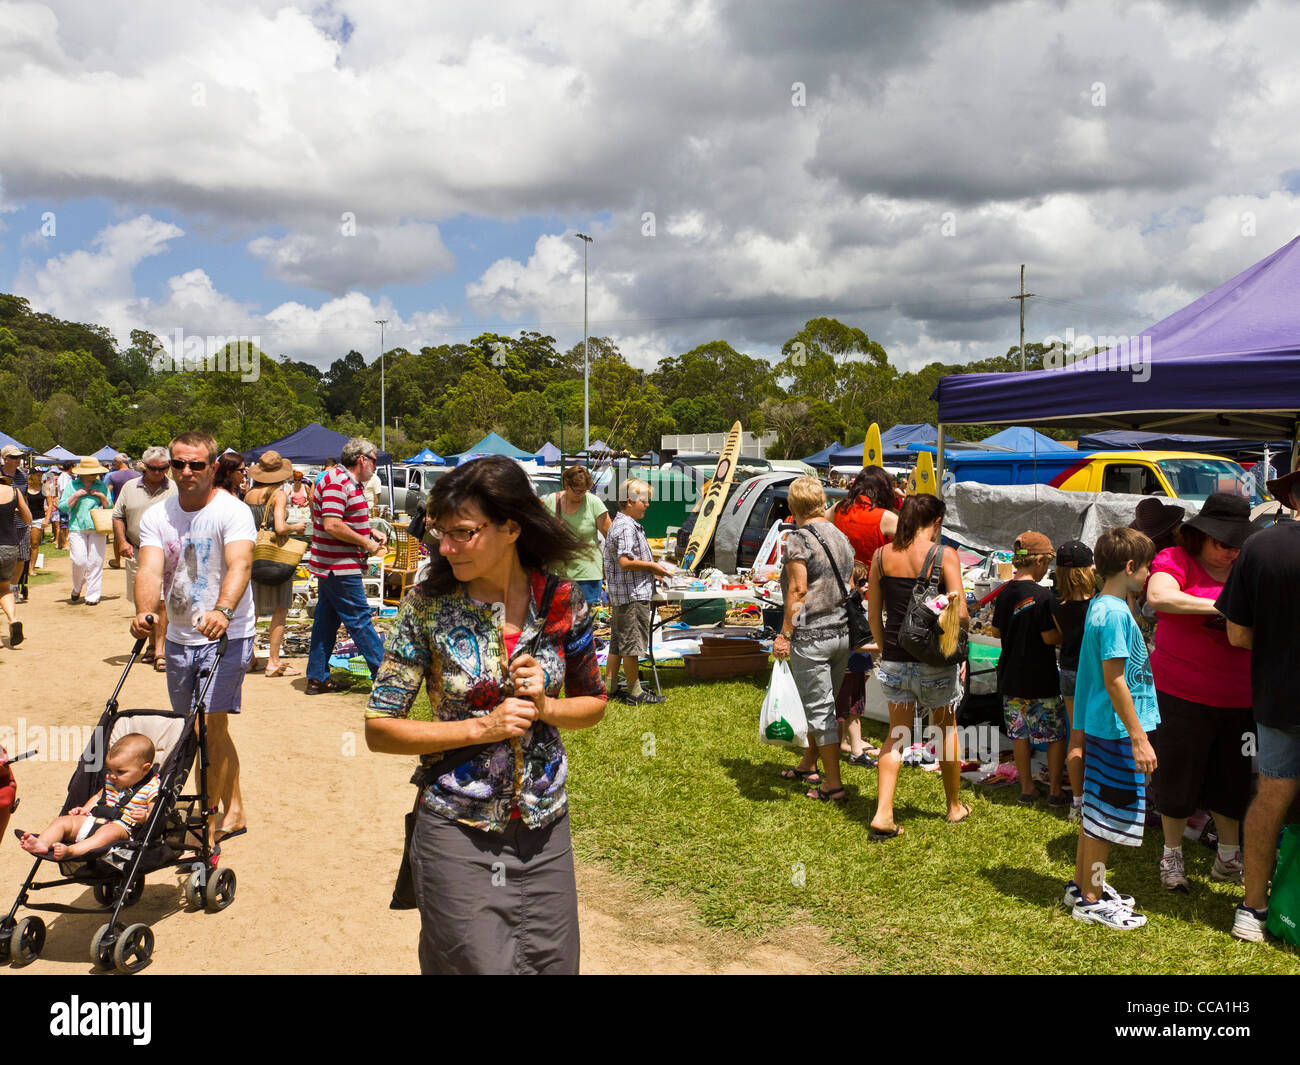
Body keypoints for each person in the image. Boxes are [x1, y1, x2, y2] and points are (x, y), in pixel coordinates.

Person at [365, 455, 607, 974]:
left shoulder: (563, 602)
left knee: (552, 964)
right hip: (458, 828)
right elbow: (380, 729)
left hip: (546, 829)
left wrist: (547, 706)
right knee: (471, 964)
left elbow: (594, 705)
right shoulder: (426, 607)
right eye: (441, 533)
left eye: (463, 533)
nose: (446, 548)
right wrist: (482, 727)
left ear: (511, 527)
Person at [132, 431, 256, 848]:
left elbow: (240, 564)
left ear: (213, 466)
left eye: (196, 464)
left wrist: (223, 610)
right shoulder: (157, 515)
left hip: (228, 633)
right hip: (182, 636)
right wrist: (145, 612)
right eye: (177, 464)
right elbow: (149, 569)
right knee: (203, 728)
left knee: (208, 724)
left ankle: (211, 815)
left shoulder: (232, 511)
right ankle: (234, 808)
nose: (186, 472)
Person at [1145, 493, 1256, 893]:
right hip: (1181, 693)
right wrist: (1222, 608)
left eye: (1237, 545)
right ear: (1200, 536)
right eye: (1221, 543)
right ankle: (1172, 855)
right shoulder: (1175, 559)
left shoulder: (1249, 564)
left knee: (1233, 781)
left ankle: (1228, 857)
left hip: (1241, 698)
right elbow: (1158, 596)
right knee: (1177, 777)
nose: (1230, 552)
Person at [1217, 464, 1300, 943]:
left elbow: (1237, 633)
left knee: (1270, 798)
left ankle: (1253, 909)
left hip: (1279, 699)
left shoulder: (1261, 545)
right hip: (1280, 700)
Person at [1065, 527, 1157, 929]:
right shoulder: (1115, 614)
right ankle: (1092, 897)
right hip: (1118, 731)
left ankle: (1083, 884)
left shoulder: (1102, 604)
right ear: (1131, 566)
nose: (1151, 573)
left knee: (1096, 813)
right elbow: (1115, 679)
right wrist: (1139, 738)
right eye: (1148, 566)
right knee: (1108, 819)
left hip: (1102, 726)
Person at [866, 494, 970, 838]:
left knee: (896, 736)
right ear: (936, 522)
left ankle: (883, 813)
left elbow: (873, 613)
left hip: (894, 660)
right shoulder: (945, 555)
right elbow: (963, 615)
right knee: (946, 730)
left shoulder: (881, 556)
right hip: (934, 663)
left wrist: (886, 649)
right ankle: (954, 806)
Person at [773, 477, 858, 802]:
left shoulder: (798, 538)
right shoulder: (840, 535)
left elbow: (798, 589)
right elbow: (849, 582)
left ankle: (832, 785)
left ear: (792, 507)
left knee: (820, 710)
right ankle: (809, 763)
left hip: (811, 637)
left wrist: (785, 634)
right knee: (822, 704)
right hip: (841, 635)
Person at [990, 531, 1068, 807]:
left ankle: (1027, 788)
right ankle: (1056, 791)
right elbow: (1049, 637)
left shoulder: (1004, 592)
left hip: (1011, 675)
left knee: (1019, 734)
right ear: (1037, 562)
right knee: (1054, 734)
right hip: (1041, 675)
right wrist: (1064, 634)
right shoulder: (1044, 596)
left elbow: (996, 628)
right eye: (1046, 562)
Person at [304, 438, 387, 695]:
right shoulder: (337, 482)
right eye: (374, 460)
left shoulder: (344, 482)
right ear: (362, 459)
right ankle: (387, 678)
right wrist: (367, 542)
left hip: (334, 564)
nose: (376, 465)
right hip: (338, 565)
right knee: (360, 620)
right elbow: (332, 524)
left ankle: (317, 677)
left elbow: (341, 519)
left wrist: (368, 529)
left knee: (326, 621)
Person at [16, 734, 159, 861]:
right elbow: (98, 797)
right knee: (62, 821)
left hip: (122, 829)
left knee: (109, 832)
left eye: (120, 772)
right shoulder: (112, 781)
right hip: (94, 820)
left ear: (145, 769)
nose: (112, 776)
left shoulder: (151, 788)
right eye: (110, 770)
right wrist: (84, 810)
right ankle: (42, 843)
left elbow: (156, 814)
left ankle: (71, 850)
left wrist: (145, 817)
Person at [603, 477, 673, 705]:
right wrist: (653, 567)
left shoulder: (621, 523)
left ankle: (611, 686)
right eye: (644, 500)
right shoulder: (625, 526)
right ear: (629, 501)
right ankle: (635, 692)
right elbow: (625, 561)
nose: (648, 504)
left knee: (617, 641)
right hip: (631, 595)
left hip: (623, 594)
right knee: (631, 645)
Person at [113, 446, 177, 669]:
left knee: (162, 600)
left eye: (163, 468)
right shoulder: (130, 487)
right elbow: (118, 516)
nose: (158, 473)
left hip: (167, 552)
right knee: (143, 601)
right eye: (153, 468)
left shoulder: (176, 488)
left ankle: (160, 649)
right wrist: (122, 541)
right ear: (143, 466)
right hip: (138, 549)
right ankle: (151, 645)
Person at [244, 450, 307, 678]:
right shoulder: (278, 494)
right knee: (280, 609)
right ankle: (273, 661)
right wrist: (297, 527)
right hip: (275, 556)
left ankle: (248, 658)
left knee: (252, 610)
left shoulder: (249, 494)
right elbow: (280, 527)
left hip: (253, 555)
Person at [1051, 539, 1098, 823]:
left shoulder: (1054, 601)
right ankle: (1098, 799)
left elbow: (1060, 636)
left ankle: (1078, 802)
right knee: (1100, 739)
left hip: (1068, 671)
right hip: (1094, 673)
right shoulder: (1100, 602)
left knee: (1076, 738)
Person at [542, 465, 613, 608]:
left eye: (584, 491)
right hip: (557, 575)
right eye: (578, 491)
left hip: (588, 576)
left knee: (584, 626)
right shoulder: (551, 501)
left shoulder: (594, 503)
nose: (581, 495)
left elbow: (611, 536)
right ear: (566, 485)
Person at [58, 456, 111, 606]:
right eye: (91, 472)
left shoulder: (102, 485)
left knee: (96, 562)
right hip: (77, 527)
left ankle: (93, 595)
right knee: (79, 561)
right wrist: (76, 495)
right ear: (82, 473)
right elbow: (62, 506)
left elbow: (109, 506)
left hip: (97, 527)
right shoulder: (72, 486)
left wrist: (101, 496)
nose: (94, 475)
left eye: (95, 472)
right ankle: (77, 587)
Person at [831, 466, 899, 565]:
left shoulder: (838, 508)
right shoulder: (887, 517)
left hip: (841, 575)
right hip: (873, 577)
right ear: (885, 490)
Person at [0, 458, 34, 647]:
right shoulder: (13, 491)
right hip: (9, 546)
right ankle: (13, 620)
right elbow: (28, 518)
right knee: (5, 588)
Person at [105, 453, 140, 569]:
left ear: (118, 463)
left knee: (118, 535)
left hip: (119, 508)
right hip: (136, 507)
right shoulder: (138, 475)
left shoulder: (112, 476)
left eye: (114, 463)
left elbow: (108, 493)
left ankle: (117, 560)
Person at [21, 470, 49, 603]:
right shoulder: (25, 487)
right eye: (38, 475)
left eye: (41, 475)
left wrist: (46, 519)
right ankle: (24, 569)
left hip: (38, 519)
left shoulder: (44, 488)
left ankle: (31, 568)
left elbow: (49, 505)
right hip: (25, 518)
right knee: (24, 544)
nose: (40, 476)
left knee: (34, 543)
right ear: (31, 476)